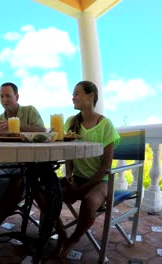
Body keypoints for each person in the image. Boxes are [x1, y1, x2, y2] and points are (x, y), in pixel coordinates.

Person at [51, 80, 120, 258]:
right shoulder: (70, 122)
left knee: (89, 201)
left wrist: (83, 187)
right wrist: (68, 175)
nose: (72, 97)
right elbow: (68, 153)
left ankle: (72, 239)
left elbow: (106, 166)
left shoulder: (105, 125)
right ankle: (61, 232)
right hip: (77, 177)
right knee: (44, 189)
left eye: (77, 93)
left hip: (101, 181)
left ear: (90, 96)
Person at [0, 82, 46, 248]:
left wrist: (17, 126)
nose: (4, 99)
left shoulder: (29, 111)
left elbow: (42, 131)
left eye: (8, 95)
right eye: (1, 96)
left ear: (17, 97)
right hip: (4, 165)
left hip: (29, 167)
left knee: (18, 179)